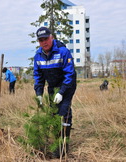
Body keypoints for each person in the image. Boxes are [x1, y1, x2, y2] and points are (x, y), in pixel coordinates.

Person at [33, 27, 77, 157]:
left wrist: (62, 92)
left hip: (67, 84)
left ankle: (63, 147)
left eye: (46, 39)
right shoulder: (38, 55)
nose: (44, 42)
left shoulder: (63, 52)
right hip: (52, 85)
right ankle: (55, 142)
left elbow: (69, 73)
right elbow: (38, 77)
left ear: (51, 37)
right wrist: (39, 94)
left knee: (64, 110)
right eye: (41, 40)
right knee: (53, 113)